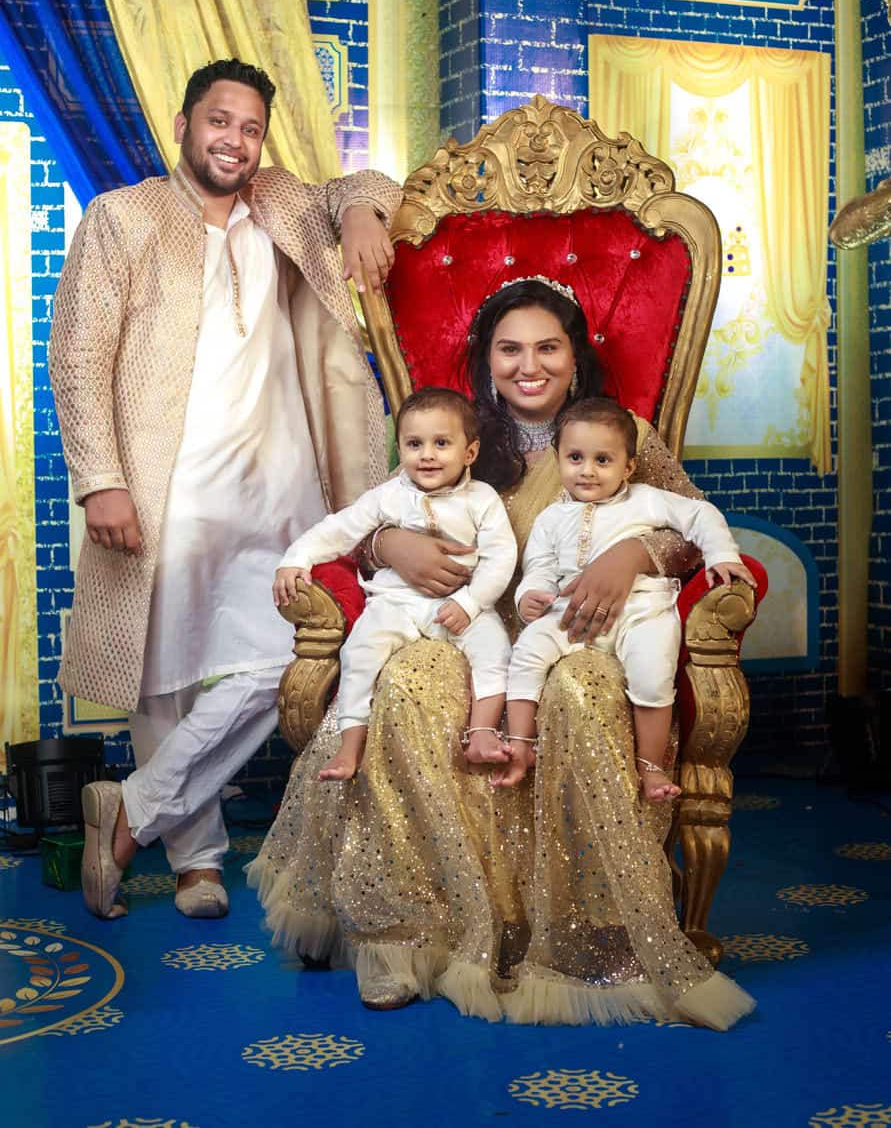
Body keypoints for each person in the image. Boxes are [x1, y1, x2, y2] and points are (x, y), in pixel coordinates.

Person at [249, 277, 755, 1029]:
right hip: (464, 628)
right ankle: (404, 935)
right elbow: (365, 529)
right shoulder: (454, 434)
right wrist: (393, 544)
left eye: (547, 347)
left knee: (580, 691)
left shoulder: (626, 434)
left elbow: (689, 528)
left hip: (581, 631)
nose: (529, 365)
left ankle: (591, 933)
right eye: (509, 349)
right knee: (410, 684)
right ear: (485, 361)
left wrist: (634, 557)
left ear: (574, 356)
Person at [49, 58, 403, 921]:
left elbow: (368, 177)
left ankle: (129, 810)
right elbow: (79, 355)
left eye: (250, 128)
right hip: (167, 490)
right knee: (162, 681)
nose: (234, 141)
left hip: (283, 493)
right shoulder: (122, 217)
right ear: (182, 125)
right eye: (219, 122)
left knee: (292, 653)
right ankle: (196, 861)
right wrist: (101, 481)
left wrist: (360, 210)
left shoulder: (282, 202)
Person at [498, 396, 756, 800]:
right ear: (558, 458)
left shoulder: (647, 499)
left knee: (652, 675)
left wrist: (722, 554)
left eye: (603, 460)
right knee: (526, 653)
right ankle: (521, 746)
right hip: (570, 611)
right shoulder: (551, 518)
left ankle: (651, 769)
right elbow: (541, 567)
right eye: (576, 458)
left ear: (629, 465)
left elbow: (701, 515)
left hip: (642, 611)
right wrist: (530, 596)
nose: (587, 470)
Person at [273, 387, 517, 780]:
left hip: (461, 603)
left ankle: (484, 733)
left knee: (495, 649)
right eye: (414, 444)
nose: (427, 455)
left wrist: (471, 603)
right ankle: (349, 748)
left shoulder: (481, 499)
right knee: (359, 652)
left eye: (441, 443)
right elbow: (339, 529)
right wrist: (295, 559)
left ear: (469, 452)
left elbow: (500, 557)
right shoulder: (388, 496)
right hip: (396, 601)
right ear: (400, 449)